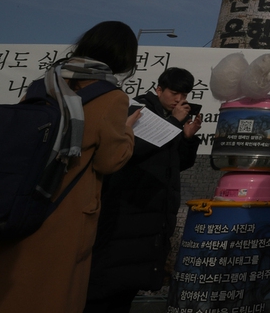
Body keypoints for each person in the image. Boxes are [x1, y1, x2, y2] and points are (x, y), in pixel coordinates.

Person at [0, 21, 139, 313]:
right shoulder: (112, 97)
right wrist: (128, 130)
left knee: (12, 290)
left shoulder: (46, 83)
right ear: (124, 57)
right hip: (66, 212)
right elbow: (109, 161)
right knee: (53, 293)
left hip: (21, 201)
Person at [83, 67, 202, 313]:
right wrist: (174, 123)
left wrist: (188, 138)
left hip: (152, 217)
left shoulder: (172, 119)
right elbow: (130, 153)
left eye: (185, 95)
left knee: (128, 286)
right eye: (174, 93)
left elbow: (177, 164)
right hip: (126, 212)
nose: (180, 100)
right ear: (159, 89)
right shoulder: (138, 110)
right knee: (105, 286)